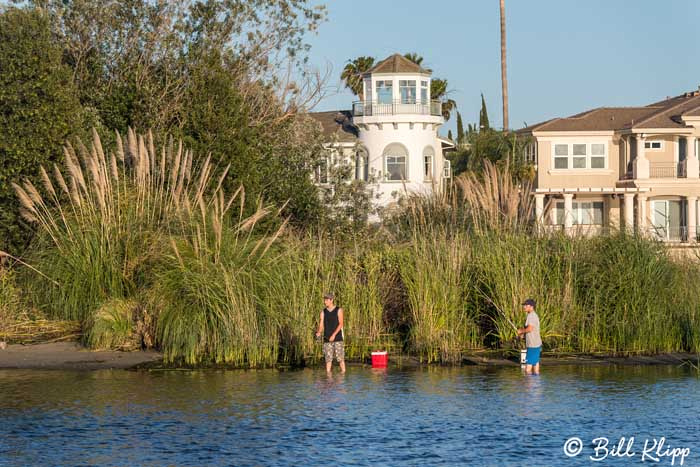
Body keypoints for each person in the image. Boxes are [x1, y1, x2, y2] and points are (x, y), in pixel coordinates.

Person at [315, 293, 346, 373]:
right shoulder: (323, 312)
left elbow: (341, 324)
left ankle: (343, 376)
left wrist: (334, 335)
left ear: (331, 300)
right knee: (328, 360)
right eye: (324, 300)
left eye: (326, 300)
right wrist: (319, 332)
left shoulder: (339, 310)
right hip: (327, 339)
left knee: (340, 359)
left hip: (338, 339)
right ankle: (328, 378)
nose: (325, 302)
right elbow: (321, 325)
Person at [517, 298, 542, 375]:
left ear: (531, 306)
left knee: (528, 368)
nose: (524, 307)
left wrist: (521, 331)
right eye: (524, 305)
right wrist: (523, 335)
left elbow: (530, 329)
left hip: (532, 345)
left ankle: (529, 385)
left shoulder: (531, 316)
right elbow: (532, 329)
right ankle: (536, 384)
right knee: (535, 363)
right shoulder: (533, 315)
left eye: (526, 305)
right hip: (536, 344)